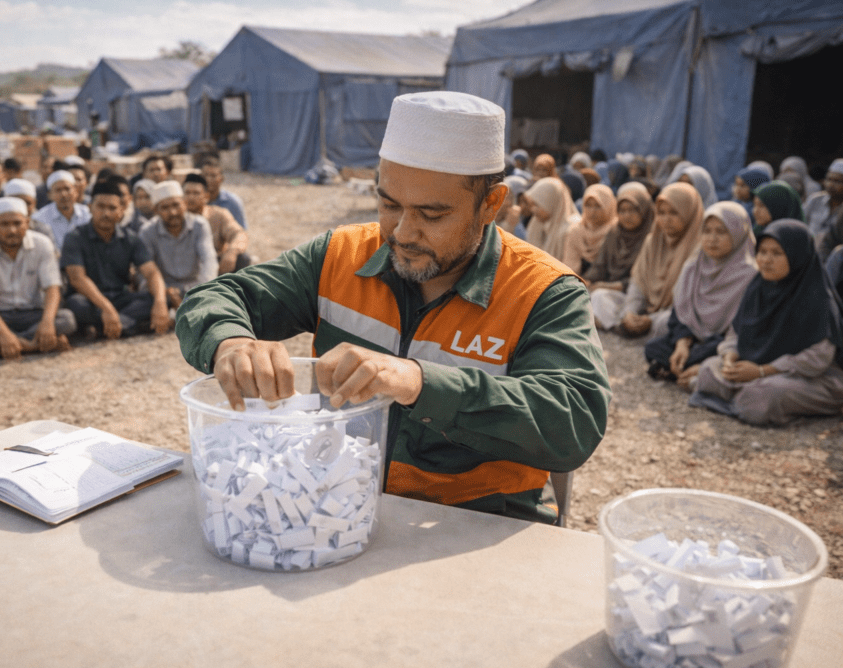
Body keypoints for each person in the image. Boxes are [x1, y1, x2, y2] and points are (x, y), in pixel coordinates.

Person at [176, 91, 610, 525]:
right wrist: (230, 342)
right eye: (389, 204)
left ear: (491, 205)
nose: (402, 232)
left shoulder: (543, 292)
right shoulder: (341, 255)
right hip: (338, 512)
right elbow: (213, 298)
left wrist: (421, 382)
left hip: (473, 530)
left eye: (431, 215)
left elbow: (573, 419)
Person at [690, 219, 843, 425]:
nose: (766, 260)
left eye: (777, 253)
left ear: (797, 256)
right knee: (709, 370)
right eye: (762, 252)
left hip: (810, 377)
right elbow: (736, 333)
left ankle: (741, 398)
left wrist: (762, 371)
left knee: (765, 394)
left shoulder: (817, 297)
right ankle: (743, 399)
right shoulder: (757, 287)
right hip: (756, 369)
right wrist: (730, 360)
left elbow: (817, 359)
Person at [644, 201, 757, 388]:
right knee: (653, 347)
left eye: (721, 232)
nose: (712, 239)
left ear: (738, 232)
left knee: (713, 352)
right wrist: (682, 345)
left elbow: (742, 331)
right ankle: (689, 368)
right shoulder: (693, 267)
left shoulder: (750, 275)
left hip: (723, 343)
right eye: (707, 231)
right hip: (693, 339)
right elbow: (680, 313)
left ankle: (688, 370)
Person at [0, 198, 75, 358]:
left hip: (32, 313)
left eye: (17, 223)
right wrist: (3, 333)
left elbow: (52, 287)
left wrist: (47, 323)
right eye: (4, 224)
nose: (12, 230)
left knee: (67, 319)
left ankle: (4, 346)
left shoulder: (42, 243)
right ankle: (34, 345)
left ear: (27, 222)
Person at [61, 181, 171, 339]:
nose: (106, 213)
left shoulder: (130, 238)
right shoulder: (75, 237)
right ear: (90, 207)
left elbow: (151, 272)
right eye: (100, 207)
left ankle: (101, 329)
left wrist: (160, 303)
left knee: (162, 297)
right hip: (91, 300)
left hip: (120, 298)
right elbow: (77, 279)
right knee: (76, 305)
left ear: (122, 210)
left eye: (112, 208)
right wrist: (107, 309)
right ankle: (132, 326)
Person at [612, 182, 704, 338]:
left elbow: (688, 303)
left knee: (666, 322)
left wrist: (650, 319)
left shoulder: (700, 247)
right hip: (647, 308)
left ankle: (642, 326)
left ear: (689, 212)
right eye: (661, 213)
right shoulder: (653, 240)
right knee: (600, 297)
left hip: (674, 314)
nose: (666, 219)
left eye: (674, 213)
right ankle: (632, 322)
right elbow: (638, 282)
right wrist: (630, 312)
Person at [586, 182, 656, 329]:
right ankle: (614, 322)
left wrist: (613, 286)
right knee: (589, 294)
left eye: (632, 210)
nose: (626, 216)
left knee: (599, 296)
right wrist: (587, 281)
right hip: (611, 291)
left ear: (644, 211)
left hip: (637, 294)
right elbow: (600, 265)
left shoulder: (651, 237)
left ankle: (615, 323)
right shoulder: (614, 232)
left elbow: (644, 278)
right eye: (622, 211)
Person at [139, 181, 218, 309]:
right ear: (156, 210)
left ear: (184, 204)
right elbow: (145, 271)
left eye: (176, 205)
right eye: (165, 208)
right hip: (164, 290)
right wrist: (164, 292)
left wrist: (202, 292)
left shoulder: (199, 225)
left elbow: (209, 261)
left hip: (196, 287)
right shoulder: (147, 231)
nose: (173, 212)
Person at [182, 173, 250, 274]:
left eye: (196, 193)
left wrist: (232, 252)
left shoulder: (218, 214)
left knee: (242, 258)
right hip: (183, 264)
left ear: (206, 197)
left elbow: (239, 234)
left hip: (215, 265)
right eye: (187, 193)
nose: (191, 197)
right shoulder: (176, 217)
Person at [563, 183, 618, 276]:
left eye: (598, 206)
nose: (592, 211)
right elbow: (570, 267)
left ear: (609, 206)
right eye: (588, 205)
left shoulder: (616, 230)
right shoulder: (576, 231)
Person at [524, 176, 580, 264]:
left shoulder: (571, 228)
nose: (533, 210)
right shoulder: (537, 223)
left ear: (551, 202)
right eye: (532, 205)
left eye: (537, 205)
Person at [32, 170, 90, 248]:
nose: (63, 194)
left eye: (67, 189)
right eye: (58, 190)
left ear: (75, 191)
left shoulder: (87, 214)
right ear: (50, 195)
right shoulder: (40, 218)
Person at [1, 178, 58, 247]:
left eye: (27, 203)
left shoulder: (42, 227)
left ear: (34, 203)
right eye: (16, 203)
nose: (22, 208)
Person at [201, 158, 247, 229]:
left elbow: (241, 232)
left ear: (221, 178)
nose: (208, 179)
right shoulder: (194, 201)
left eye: (213, 176)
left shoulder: (233, 203)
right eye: (205, 175)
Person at [805, 158, 843, 241]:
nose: (831, 185)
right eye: (829, 179)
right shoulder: (815, 200)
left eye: (837, 181)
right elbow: (802, 223)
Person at [494, 176, 528, 241]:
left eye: (510, 197)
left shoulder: (515, 220)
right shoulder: (484, 222)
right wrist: (508, 225)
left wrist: (510, 224)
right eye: (503, 197)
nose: (508, 203)